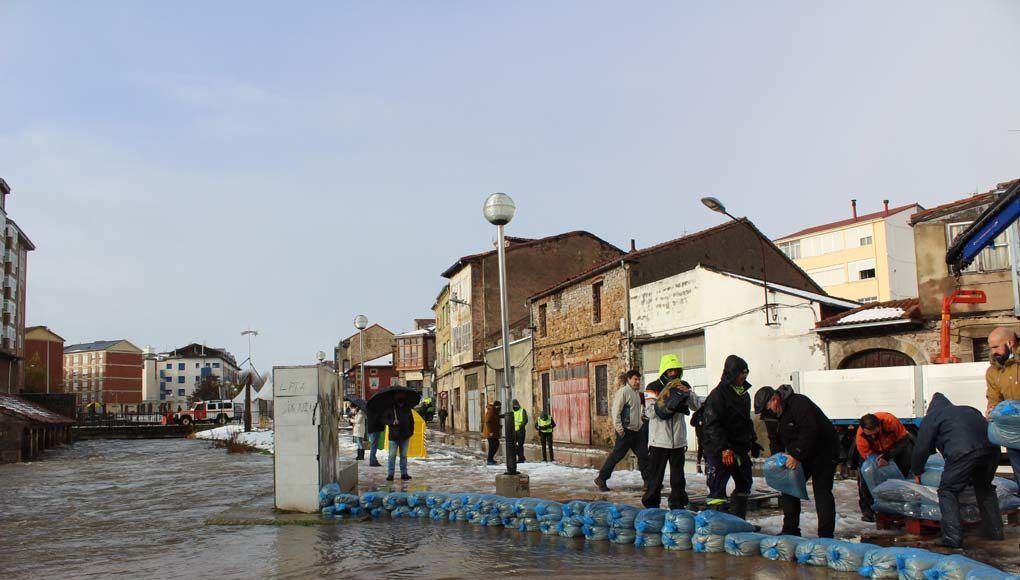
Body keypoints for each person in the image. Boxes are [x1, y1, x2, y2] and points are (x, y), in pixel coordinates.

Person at [910, 392, 1003, 549]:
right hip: (992, 451)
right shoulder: (969, 410)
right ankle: (995, 532)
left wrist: (917, 470)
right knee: (984, 488)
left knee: (947, 490)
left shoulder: (933, 417)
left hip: (963, 452)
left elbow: (922, 448)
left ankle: (952, 537)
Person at [756, 385, 839, 538]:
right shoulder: (770, 416)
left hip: (824, 450)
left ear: (775, 399)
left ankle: (826, 536)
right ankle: (790, 530)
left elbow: (811, 431)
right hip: (800, 452)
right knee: (788, 487)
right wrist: (778, 459)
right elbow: (774, 440)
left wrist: (796, 455)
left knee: (821, 491)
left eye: (768, 408)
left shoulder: (799, 403)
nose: (768, 413)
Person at [701, 355, 763, 519]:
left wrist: (753, 441)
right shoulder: (718, 395)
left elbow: (745, 421)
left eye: (746, 372)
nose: (744, 376)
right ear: (731, 373)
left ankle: (738, 522)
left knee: (744, 483)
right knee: (717, 487)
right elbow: (712, 424)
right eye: (741, 373)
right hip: (720, 449)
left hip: (739, 448)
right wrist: (724, 448)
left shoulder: (743, 394)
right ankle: (715, 526)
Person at [643, 368, 700, 509]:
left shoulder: (684, 384)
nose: (673, 374)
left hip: (678, 441)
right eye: (670, 371)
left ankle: (678, 505)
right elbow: (649, 413)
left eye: (676, 371)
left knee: (678, 478)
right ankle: (651, 505)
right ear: (664, 371)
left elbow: (696, 405)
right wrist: (667, 396)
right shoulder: (652, 387)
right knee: (655, 477)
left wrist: (687, 393)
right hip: (659, 440)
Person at [594, 370, 649, 491]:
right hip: (626, 431)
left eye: (639, 379)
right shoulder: (623, 392)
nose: (638, 382)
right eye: (635, 379)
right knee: (617, 456)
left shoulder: (636, 394)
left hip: (637, 431)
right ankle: (601, 478)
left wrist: (641, 424)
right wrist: (620, 430)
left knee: (644, 456)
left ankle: (648, 482)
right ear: (629, 379)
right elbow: (615, 412)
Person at [855, 412, 914, 522]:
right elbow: (867, 455)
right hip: (874, 452)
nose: (872, 436)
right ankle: (869, 510)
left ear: (879, 426)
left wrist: (887, 456)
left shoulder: (890, 421)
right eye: (869, 435)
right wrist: (876, 460)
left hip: (895, 447)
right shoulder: (860, 436)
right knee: (866, 474)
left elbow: (903, 440)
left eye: (875, 433)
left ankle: (905, 506)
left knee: (905, 471)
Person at [985, 326, 1020, 491]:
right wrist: (992, 411)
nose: (993, 352)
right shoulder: (993, 372)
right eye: (990, 348)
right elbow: (994, 400)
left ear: (1010, 343)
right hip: (1014, 435)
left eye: (996, 347)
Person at [383, 392, 415, 482]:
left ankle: (404, 473)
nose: (401, 398)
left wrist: (411, 432)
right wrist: (392, 422)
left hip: (405, 436)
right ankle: (390, 474)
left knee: (403, 455)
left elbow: (411, 421)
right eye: (398, 397)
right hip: (394, 436)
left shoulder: (407, 409)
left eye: (402, 396)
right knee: (392, 455)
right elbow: (383, 419)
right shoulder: (390, 408)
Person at [483, 401, 502, 465]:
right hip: (490, 433)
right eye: (499, 406)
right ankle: (489, 460)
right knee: (492, 446)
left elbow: (495, 420)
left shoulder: (495, 411)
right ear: (496, 406)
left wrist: (498, 426)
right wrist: (490, 431)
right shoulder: (491, 411)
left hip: (494, 432)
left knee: (496, 444)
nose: (500, 408)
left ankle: (491, 459)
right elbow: (488, 422)